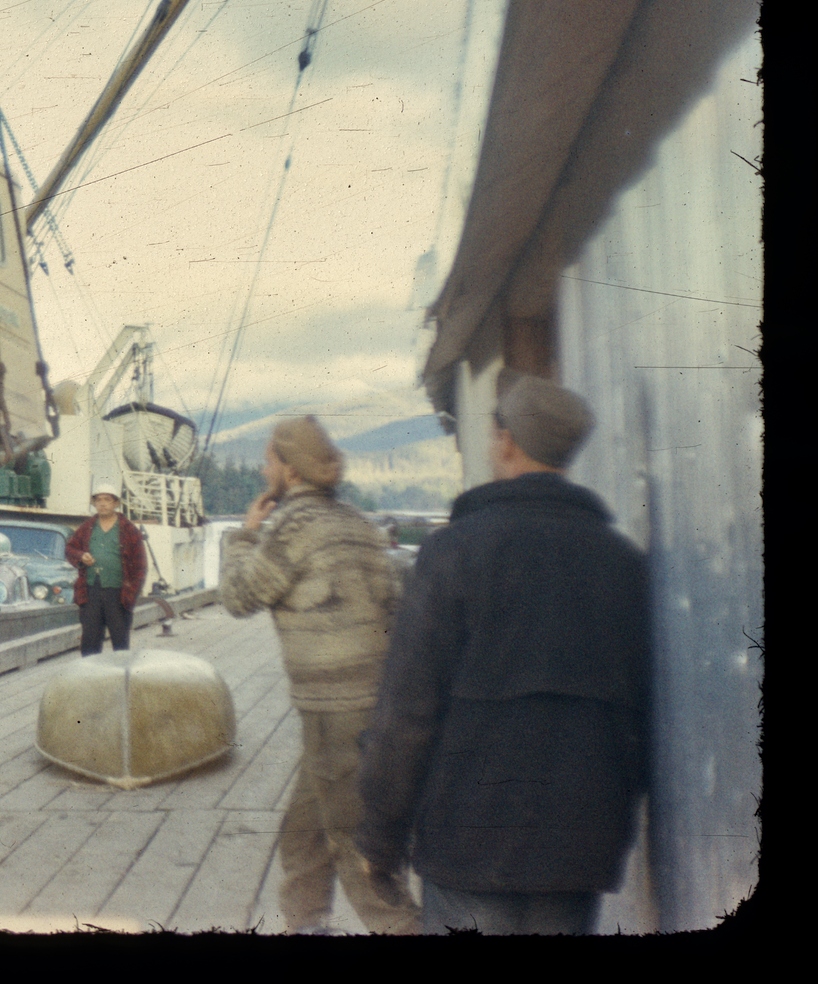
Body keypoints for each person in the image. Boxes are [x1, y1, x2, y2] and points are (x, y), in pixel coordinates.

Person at [356, 376, 650, 935]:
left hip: (466, 845)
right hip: (578, 850)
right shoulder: (623, 564)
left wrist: (380, 836)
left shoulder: (452, 553)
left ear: (506, 441)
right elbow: (639, 716)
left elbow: (406, 712)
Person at [220, 416, 420, 935]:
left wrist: (244, 536)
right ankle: (305, 925)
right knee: (305, 837)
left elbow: (240, 596)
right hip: (372, 704)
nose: (265, 469)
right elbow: (397, 612)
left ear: (288, 469)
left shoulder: (291, 525)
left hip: (336, 710)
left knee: (362, 861)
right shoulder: (359, 524)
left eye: (269, 461)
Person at [66, 484, 147, 656]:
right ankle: (90, 678)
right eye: (98, 500)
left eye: (107, 500)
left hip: (118, 593)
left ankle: (120, 678)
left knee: (120, 641)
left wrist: (131, 594)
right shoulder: (87, 527)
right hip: (91, 591)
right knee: (90, 641)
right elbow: (70, 549)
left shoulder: (129, 529)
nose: (102, 504)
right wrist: (81, 556)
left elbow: (141, 566)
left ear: (116, 503)